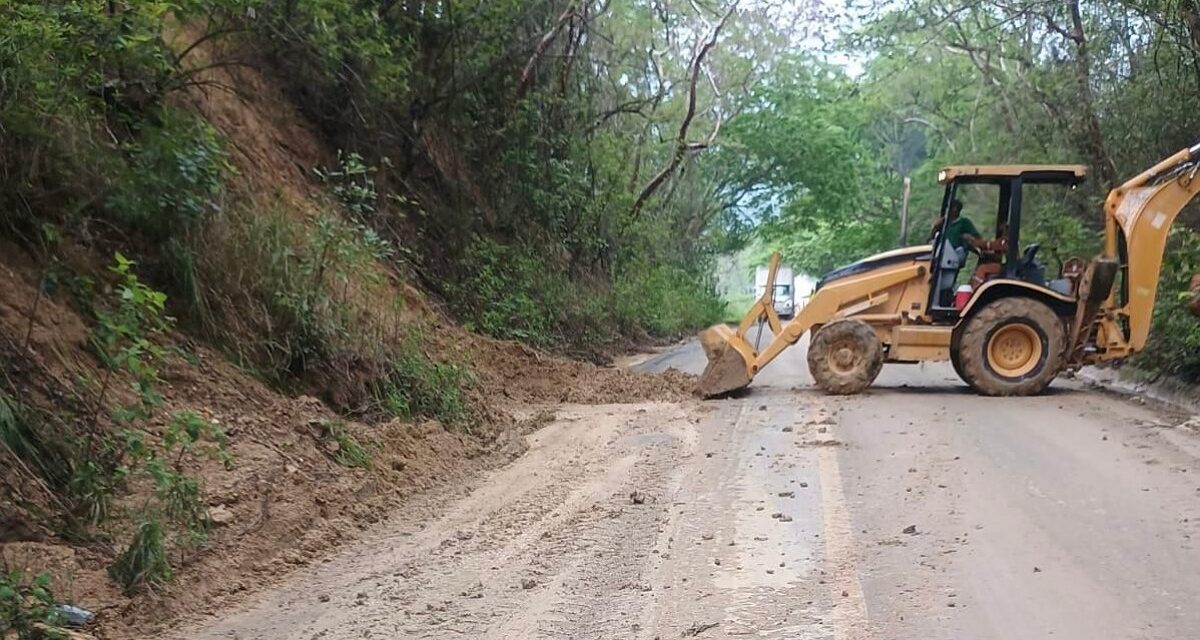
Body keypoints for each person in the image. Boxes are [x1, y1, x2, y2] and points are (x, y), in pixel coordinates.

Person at [930, 199, 985, 306]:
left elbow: (977, 238)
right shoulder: (944, 223)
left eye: (954, 207)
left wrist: (968, 241)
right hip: (941, 255)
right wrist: (936, 226)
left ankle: (945, 300)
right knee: (937, 279)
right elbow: (933, 237)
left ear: (958, 210)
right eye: (949, 207)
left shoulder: (964, 223)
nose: (951, 210)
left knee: (948, 279)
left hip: (956, 255)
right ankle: (941, 299)